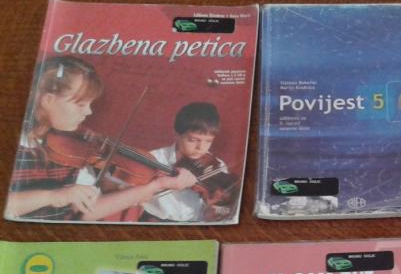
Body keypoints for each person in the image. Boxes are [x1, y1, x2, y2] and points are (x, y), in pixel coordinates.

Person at [5, 55, 198, 222]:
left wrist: (158, 185)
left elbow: (88, 210)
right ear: (47, 100)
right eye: (81, 104)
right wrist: (52, 196)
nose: (89, 112)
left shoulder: (72, 150)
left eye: (90, 104)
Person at [142, 102, 235, 222]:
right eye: (193, 140)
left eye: (208, 141)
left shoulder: (216, 165)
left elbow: (219, 207)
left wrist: (215, 208)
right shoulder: (154, 159)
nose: (201, 147)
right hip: (157, 222)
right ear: (177, 134)